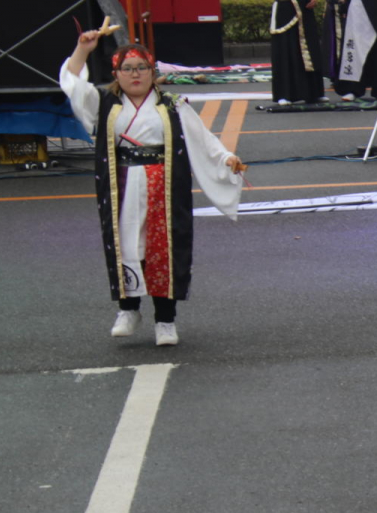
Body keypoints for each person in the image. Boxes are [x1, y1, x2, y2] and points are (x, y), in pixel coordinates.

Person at [59, 32, 244, 346]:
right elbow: (73, 84)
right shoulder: (104, 103)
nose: (135, 74)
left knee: (163, 249)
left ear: (152, 72)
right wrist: (81, 49)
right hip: (121, 185)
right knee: (127, 244)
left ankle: (165, 319)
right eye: (127, 68)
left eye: (141, 67)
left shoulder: (172, 105)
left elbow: (202, 139)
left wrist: (227, 158)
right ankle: (129, 308)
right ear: (115, 74)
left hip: (163, 186)